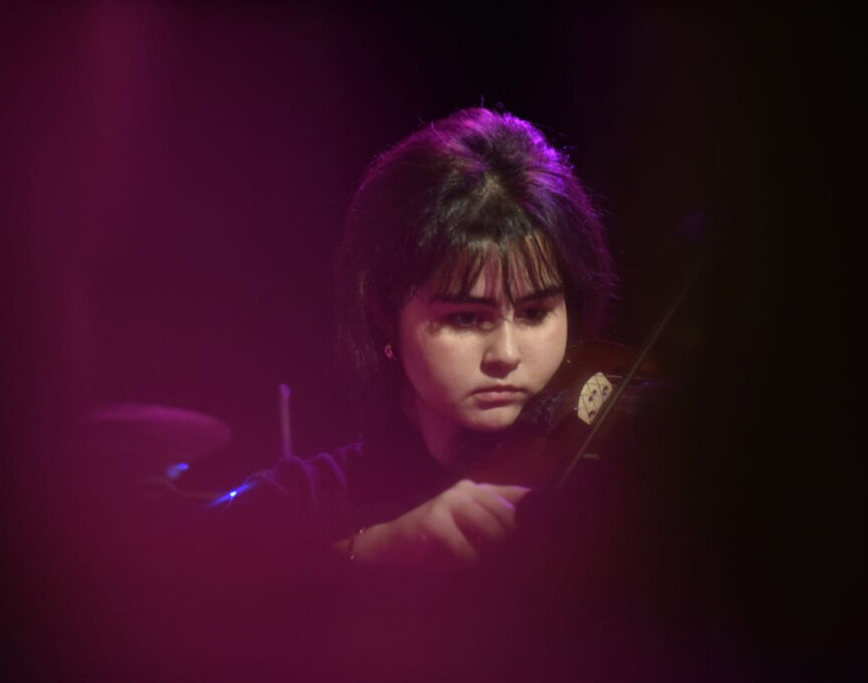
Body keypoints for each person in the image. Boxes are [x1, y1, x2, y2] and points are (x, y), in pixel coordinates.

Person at [218, 106, 618, 573]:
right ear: (387, 316)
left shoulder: (608, 484)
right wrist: (374, 549)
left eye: (535, 313)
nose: (506, 355)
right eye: (466, 317)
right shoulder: (309, 501)